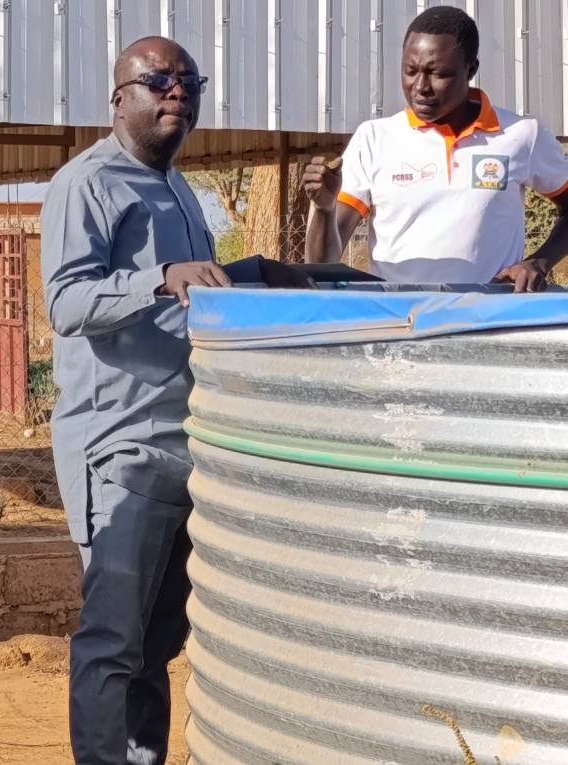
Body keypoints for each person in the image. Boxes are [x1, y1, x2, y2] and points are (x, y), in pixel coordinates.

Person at [42, 36, 313, 765]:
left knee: (159, 642)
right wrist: (160, 276)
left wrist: (258, 271)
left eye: (188, 81)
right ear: (118, 97)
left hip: (185, 447)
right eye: (157, 80)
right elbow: (67, 302)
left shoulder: (179, 189)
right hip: (120, 449)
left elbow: (200, 284)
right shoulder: (87, 183)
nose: (176, 93)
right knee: (111, 638)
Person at [303, 5, 568, 290]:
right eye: (410, 71)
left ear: (471, 69)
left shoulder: (521, 135)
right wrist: (324, 208)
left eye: (437, 74)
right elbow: (322, 265)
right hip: (397, 323)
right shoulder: (374, 138)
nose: (420, 87)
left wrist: (539, 261)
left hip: (488, 321)